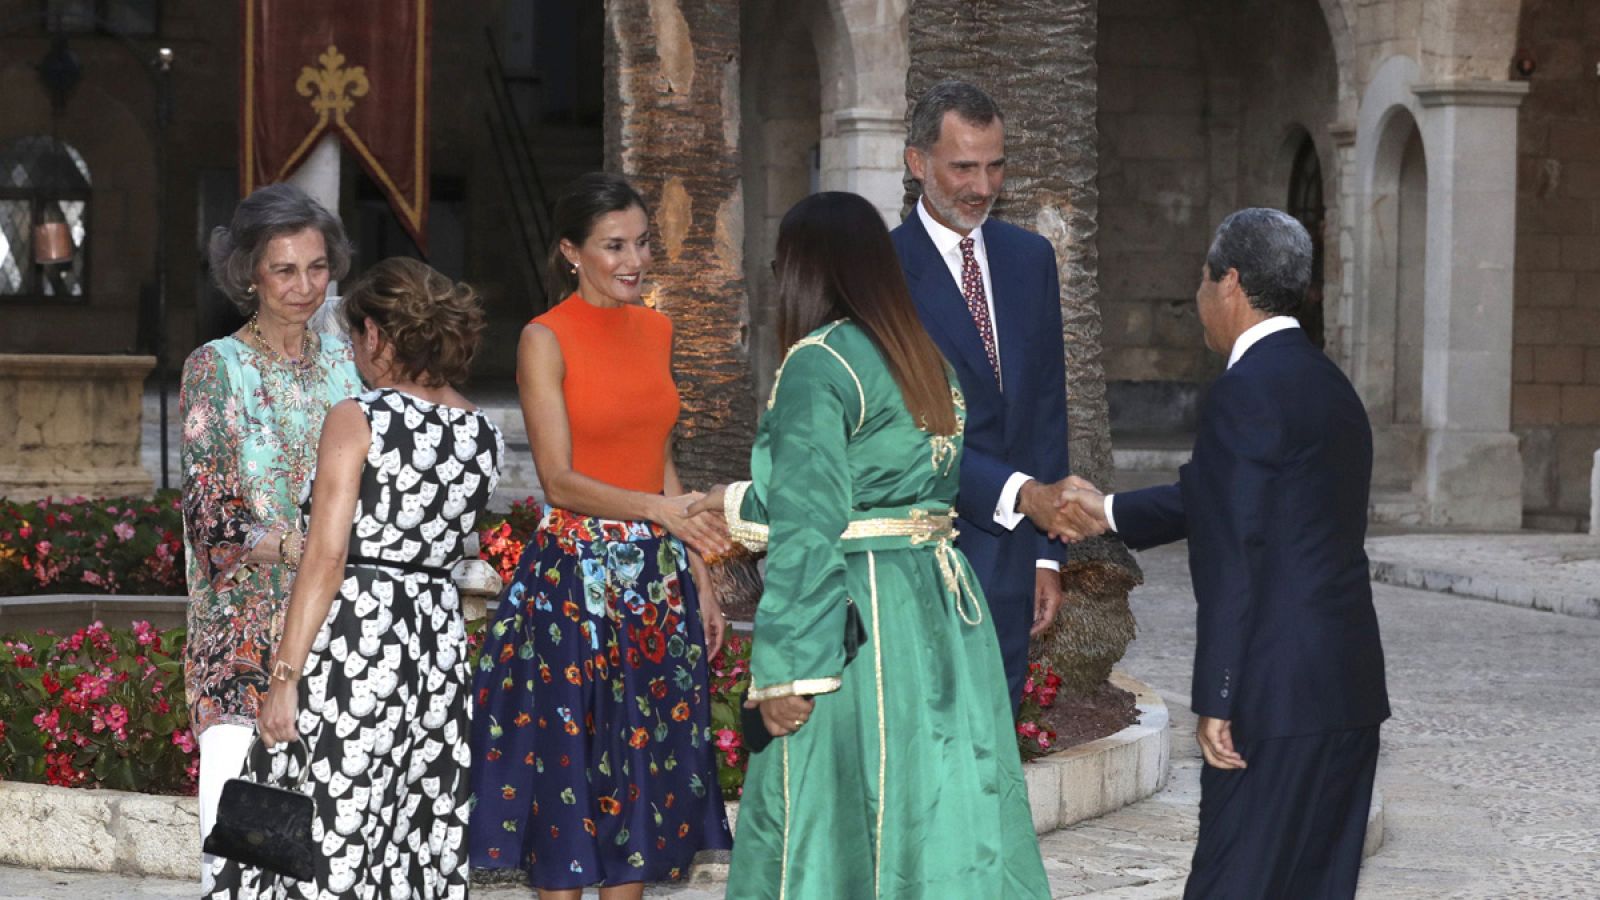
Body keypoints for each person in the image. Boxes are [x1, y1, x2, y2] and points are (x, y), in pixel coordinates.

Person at [711, 191, 1050, 899]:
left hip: (859, 621)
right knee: (941, 809)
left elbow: (811, 527)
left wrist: (788, 676)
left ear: (804, 271)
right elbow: (884, 485)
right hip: (940, 604)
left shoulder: (819, 363)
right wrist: (730, 503)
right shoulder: (922, 358)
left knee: (839, 812)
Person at [1066, 209, 1391, 899]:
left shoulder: (1246, 391)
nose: (1198, 299)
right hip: (1346, 688)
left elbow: (1238, 551)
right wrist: (1108, 511)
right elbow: (1219, 493)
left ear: (1231, 282)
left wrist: (1218, 694)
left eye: (1202, 280)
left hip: (1273, 700)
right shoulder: (1328, 385)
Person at [204, 257, 505, 897]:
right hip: (435, 650)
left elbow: (325, 555)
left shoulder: (358, 416)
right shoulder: (483, 431)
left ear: (376, 336)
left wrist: (283, 678)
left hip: (356, 642)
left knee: (315, 827)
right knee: (413, 829)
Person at [469, 172, 732, 900]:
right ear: (570, 252)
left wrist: (702, 576)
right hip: (573, 585)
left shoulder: (657, 329)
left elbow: (660, 455)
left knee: (643, 775)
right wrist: (656, 510)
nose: (633, 260)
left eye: (642, 242)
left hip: (655, 583)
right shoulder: (544, 339)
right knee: (571, 774)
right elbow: (559, 480)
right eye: (613, 245)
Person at [179, 182, 363, 891]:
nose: (305, 285)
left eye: (317, 267)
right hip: (242, 634)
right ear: (249, 274)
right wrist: (308, 548)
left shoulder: (353, 365)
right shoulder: (214, 369)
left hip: (340, 622)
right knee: (241, 849)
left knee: (331, 850)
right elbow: (212, 519)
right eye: (284, 269)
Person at [890, 80, 1091, 713]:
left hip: (1015, 557)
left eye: (996, 165)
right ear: (917, 162)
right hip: (918, 554)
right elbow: (900, 429)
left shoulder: (1029, 258)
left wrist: (1046, 554)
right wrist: (1020, 497)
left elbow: (1043, 413)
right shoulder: (880, 271)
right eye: (964, 167)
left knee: (994, 746)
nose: (983, 186)